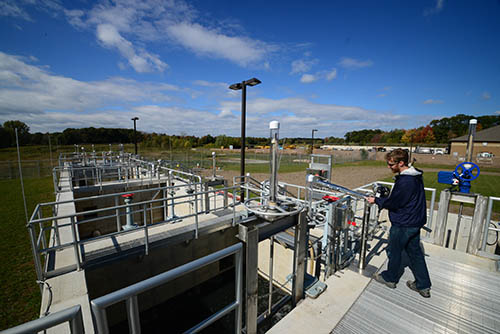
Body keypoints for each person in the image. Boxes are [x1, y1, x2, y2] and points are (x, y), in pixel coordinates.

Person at [367, 148, 432, 298]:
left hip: (404, 223)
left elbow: (395, 202)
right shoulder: (415, 176)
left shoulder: (406, 181)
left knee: (394, 251)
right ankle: (423, 285)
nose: (389, 167)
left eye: (391, 164)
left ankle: (390, 278)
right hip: (415, 221)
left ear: (401, 163)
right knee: (415, 253)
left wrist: (376, 200)